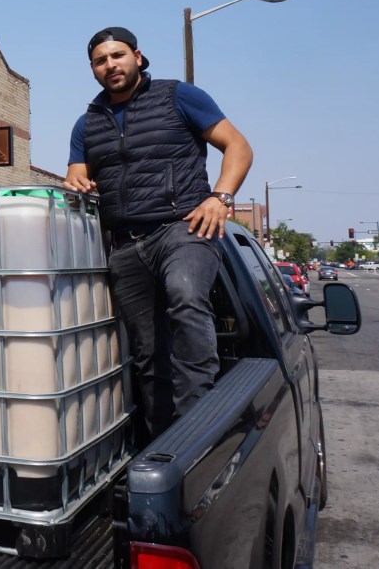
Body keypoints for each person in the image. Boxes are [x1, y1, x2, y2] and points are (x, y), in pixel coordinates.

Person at [64, 27, 252, 437]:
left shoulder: (178, 96)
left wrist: (219, 198)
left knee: (186, 298)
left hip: (183, 228)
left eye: (117, 55)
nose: (110, 65)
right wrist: (76, 182)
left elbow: (238, 145)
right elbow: (77, 173)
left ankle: (198, 431)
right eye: (100, 60)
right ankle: (161, 441)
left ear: (137, 56)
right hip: (126, 245)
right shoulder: (88, 123)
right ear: (93, 69)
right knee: (148, 353)